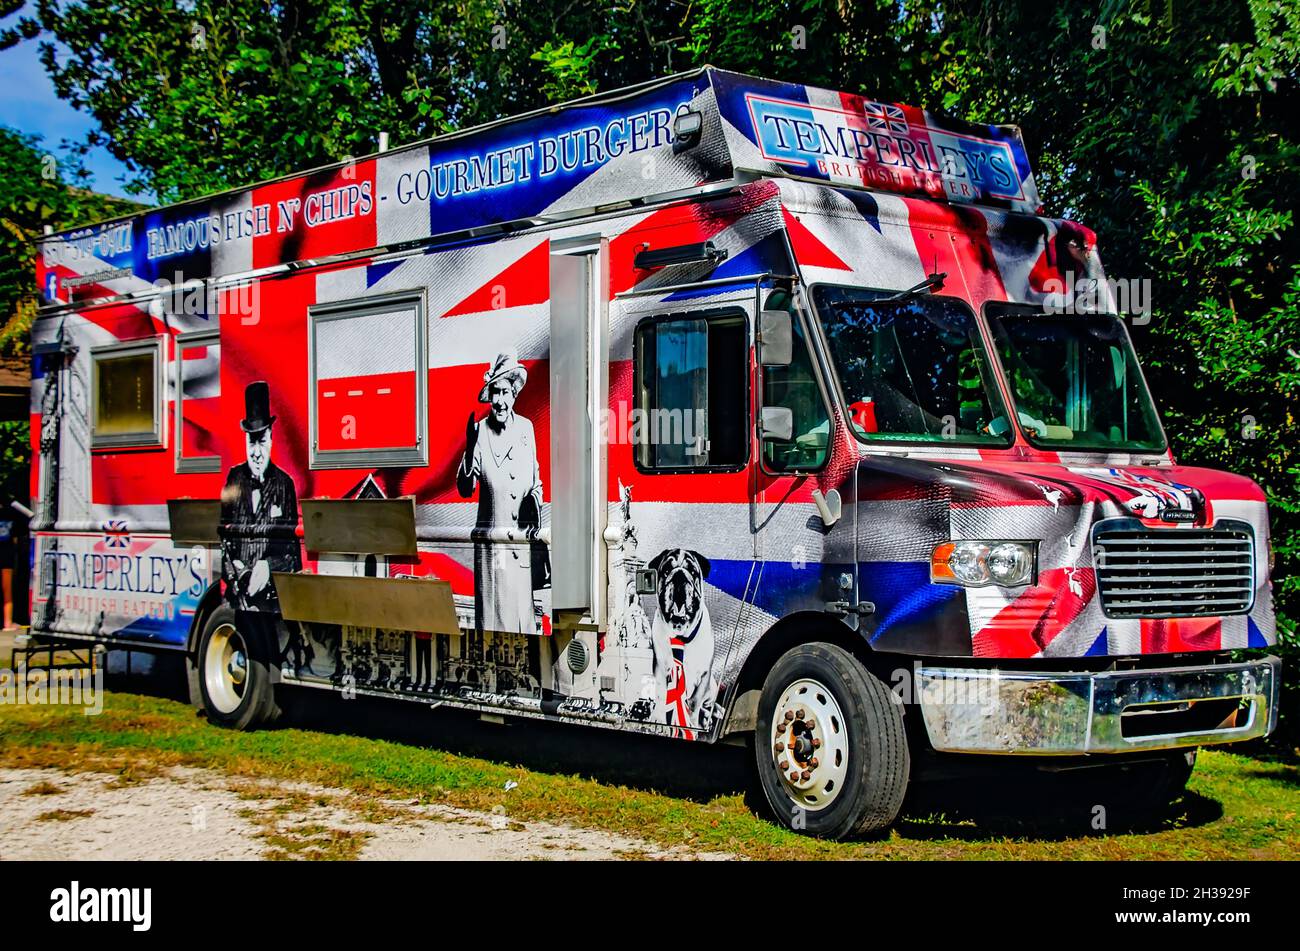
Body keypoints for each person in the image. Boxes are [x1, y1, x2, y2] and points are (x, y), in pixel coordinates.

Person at [456, 353, 543, 637]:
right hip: (494, 554)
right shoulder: (479, 432)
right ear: (489, 396)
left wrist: (535, 504)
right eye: (495, 392)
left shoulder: (527, 429)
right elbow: (465, 488)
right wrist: (469, 452)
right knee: (497, 633)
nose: (500, 401)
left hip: (522, 550)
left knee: (525, 628)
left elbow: (536, 483)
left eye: (505, 392)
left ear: (514, 394)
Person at [219, 381, 301, 613]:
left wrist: (269, 566)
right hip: (237, 601)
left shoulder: (285, 484)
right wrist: (236, 570)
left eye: (262, 441)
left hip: (272, 602)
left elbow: (293, 553)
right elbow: (222, 538)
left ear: (271, 440)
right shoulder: (234, 478)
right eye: (251, 442)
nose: (256, 452)